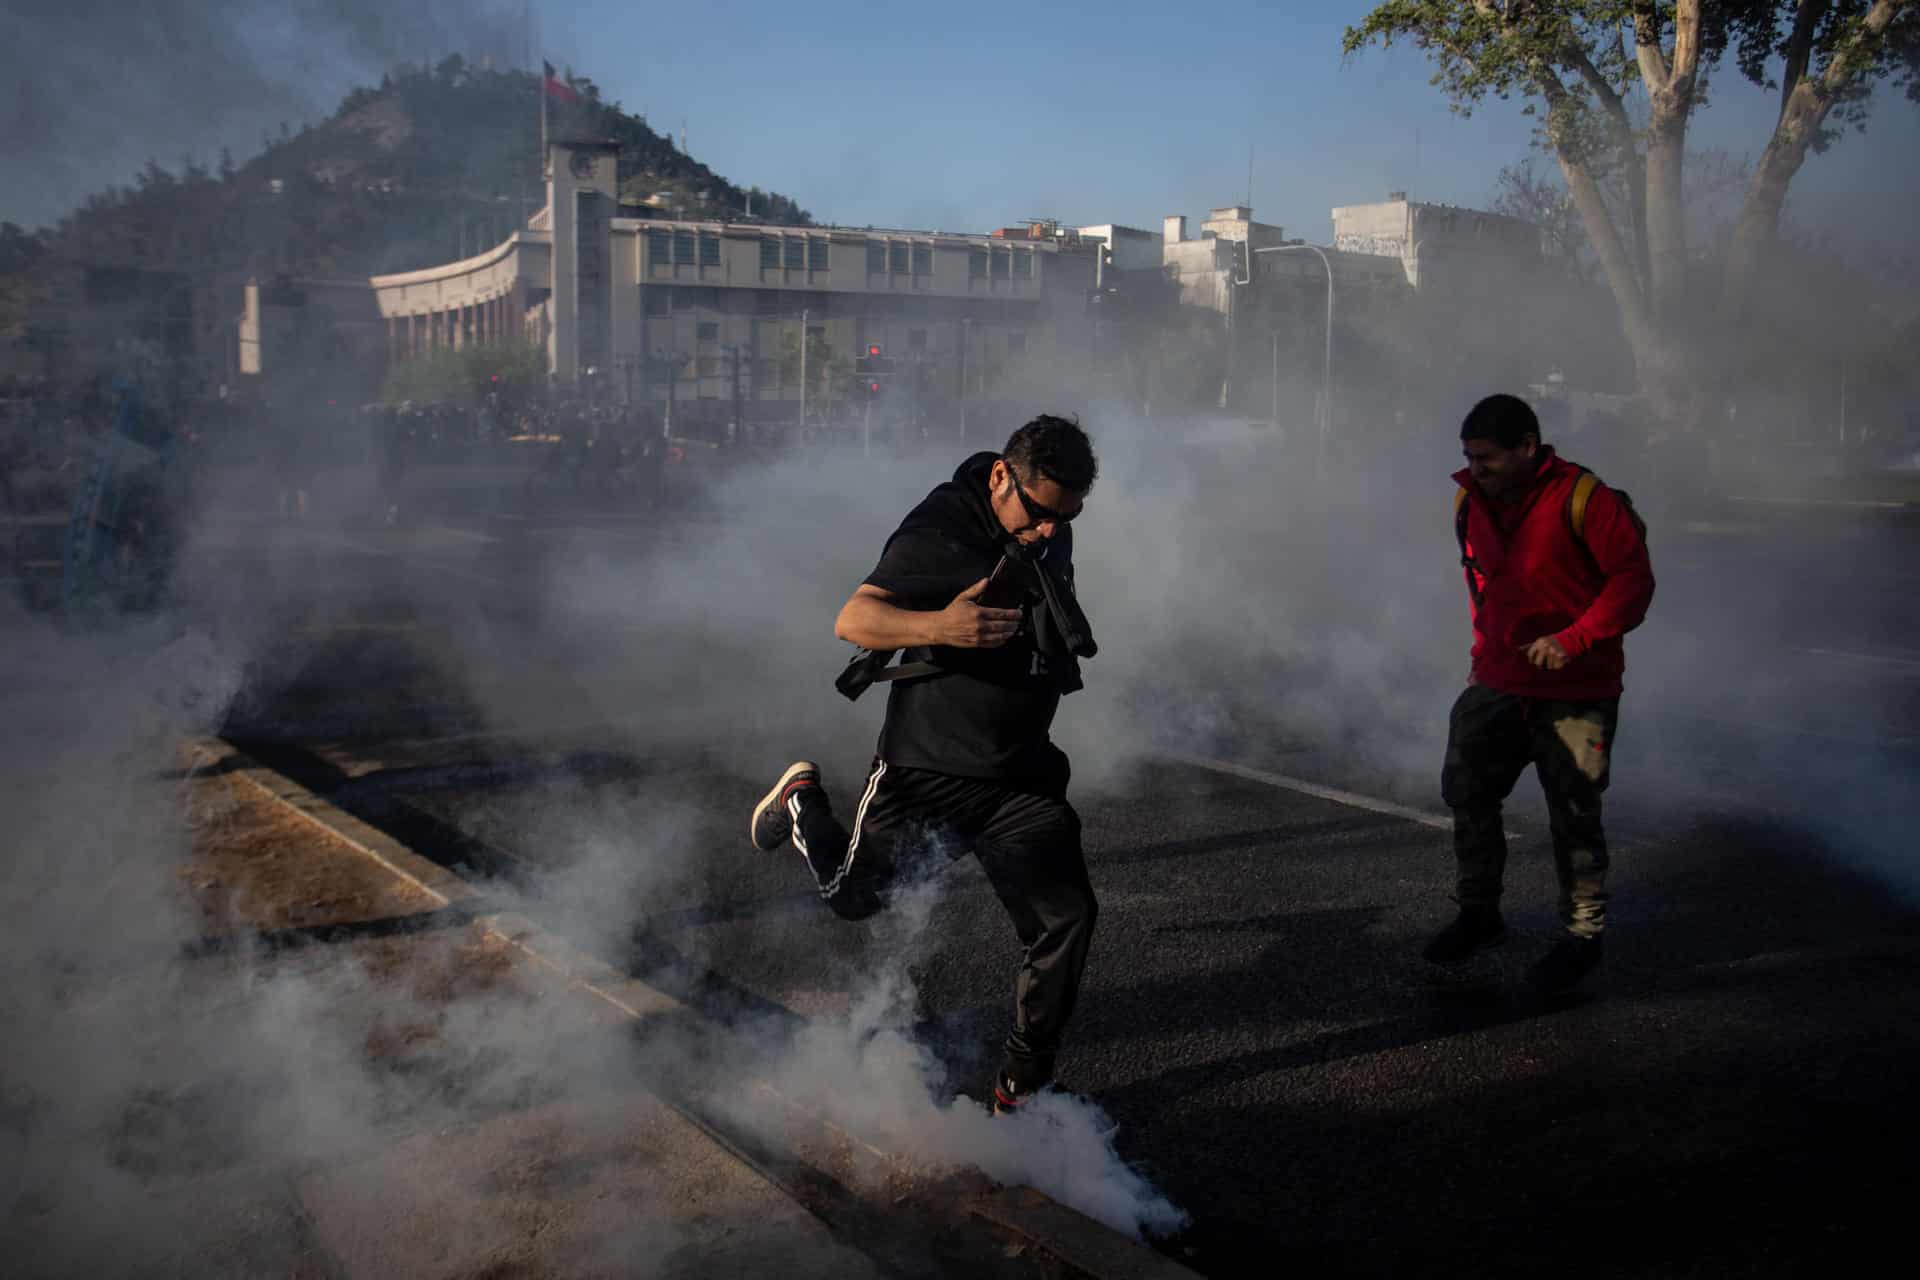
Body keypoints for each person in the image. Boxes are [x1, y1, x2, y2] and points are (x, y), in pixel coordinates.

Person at [748, 414, 1101, 1113]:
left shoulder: (1046, 526)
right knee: (855, 900)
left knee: (1066, 921)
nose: (1051, 531)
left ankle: (1022, 1087)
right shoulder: (941, 529)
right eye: (1040, 514)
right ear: (1002, 477)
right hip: (928, 770)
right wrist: (941, 626)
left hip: (1019, 777)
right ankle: (800, 798)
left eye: (1068, 516)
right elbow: (854, 618)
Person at [1424, 393, 1656, 993]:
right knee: (1466, 793)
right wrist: (1482, 657)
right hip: (1500, 682)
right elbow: (1482, 587)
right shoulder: (1468, 502)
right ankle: (1480, 914)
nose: (1476, 469)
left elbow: (1633, 584)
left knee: (1575, 816)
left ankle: (1581, 940)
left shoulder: (1586, 499)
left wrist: (1575, 639)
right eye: (1469, 457)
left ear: (1529, 447)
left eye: (1489, 458)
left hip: (1579, 691)